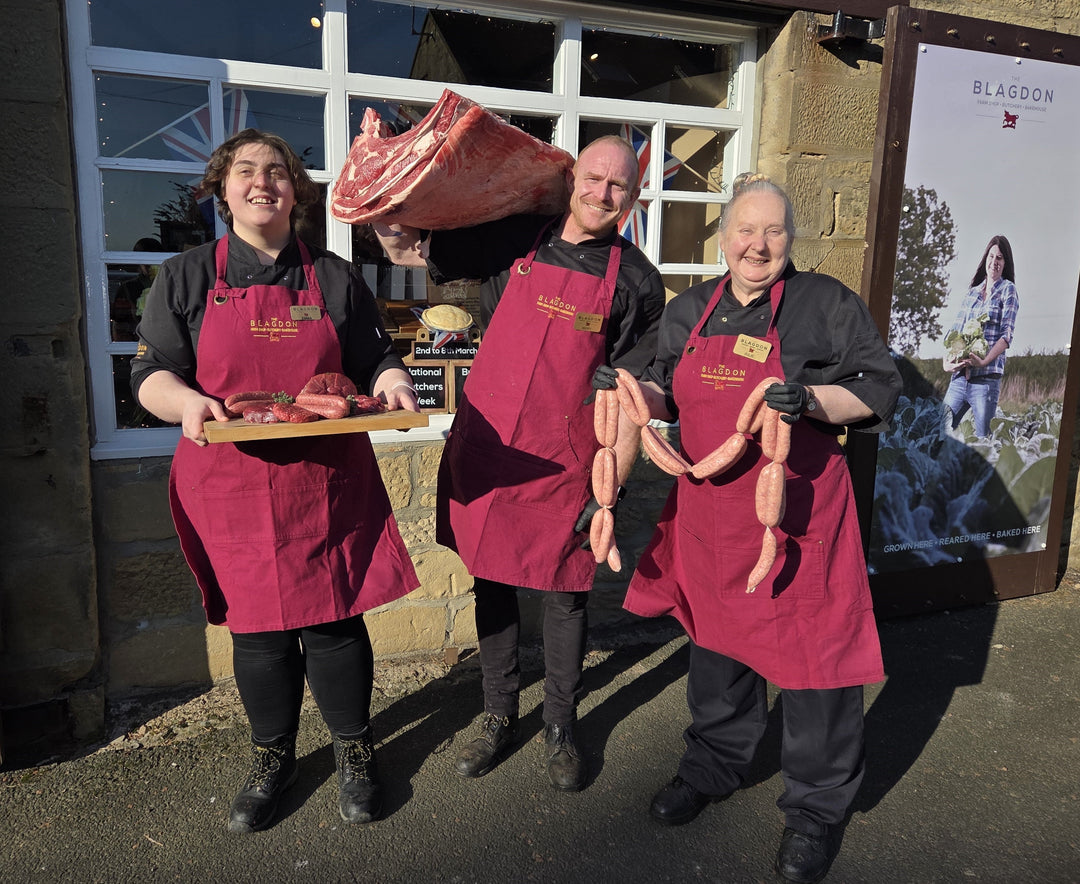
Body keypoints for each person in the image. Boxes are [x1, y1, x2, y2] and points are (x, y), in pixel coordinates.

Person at [130, 129, 421, 833]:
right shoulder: (187, 276)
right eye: (247, 172)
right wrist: (187, 402)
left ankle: (356, 750)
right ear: (222, 189)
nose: (264, 184)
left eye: (279, 173)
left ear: (297, 191)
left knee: (334, 622)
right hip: (230, 482)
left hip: (326, 482)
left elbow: (374, 357)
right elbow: (148, 377)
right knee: (257, 633)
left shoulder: (333, 275)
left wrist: (395, 381)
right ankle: (273, 759)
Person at [621, 174, 901, 883]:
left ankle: (814, 812)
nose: (758, 243)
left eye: (773, 230)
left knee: (817, 664)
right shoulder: (689, 310)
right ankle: (712, 766)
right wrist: (626, 391)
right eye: (746, 230)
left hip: (799, 514)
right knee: (718, 649)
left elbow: (876, 388)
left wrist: (809, 399)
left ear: (791, 238)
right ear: (724, 237)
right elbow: (662, 385)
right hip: (714, 513)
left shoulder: (825, 304)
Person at [372, 135, 664, 792]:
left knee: (566, 596)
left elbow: (628, 398)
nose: (602, 194)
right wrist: (385, 198)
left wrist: (609, 489)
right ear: (571, 179)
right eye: (593, 178)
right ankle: (499, 715)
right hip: (494, 451)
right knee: (494, 583)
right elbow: (413, 249)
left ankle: (561, 723)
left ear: (633, 197)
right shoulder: (514, 239)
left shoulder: (639, 282)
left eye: (618, 186)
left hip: (569, 462)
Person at [942, 234, 1019, 438]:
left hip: (985, 381)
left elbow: (1006, 336)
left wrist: (983, 361)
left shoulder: (1008, 290)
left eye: (1000, 258)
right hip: (960, 378)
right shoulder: (972, 293)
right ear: (985, 258)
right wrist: (946, 362)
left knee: (984, 440)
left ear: (1005, 263)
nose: (994, 262)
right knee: (940, 431)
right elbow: (954, 333)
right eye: (991, 256)